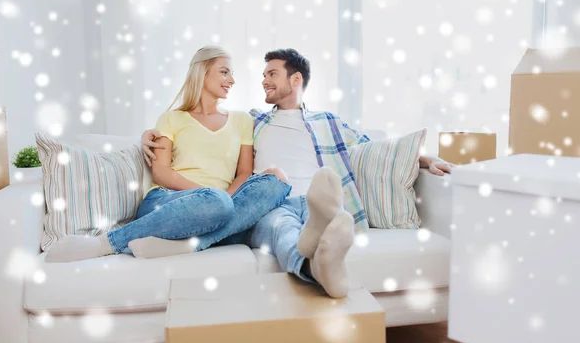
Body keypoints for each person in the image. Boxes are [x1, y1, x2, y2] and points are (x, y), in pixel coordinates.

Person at [140, 48, 453, 298]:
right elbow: (200, 128)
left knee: (325, 212)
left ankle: (321, 235)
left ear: (296, 79)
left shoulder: (328, 121)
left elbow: (373, 147)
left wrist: (424, 159)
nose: (264, 81)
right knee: (280, 228)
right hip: (273, 203)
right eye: (263, 75)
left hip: (319, 200)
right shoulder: (253, 121)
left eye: (272, 74)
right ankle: (313, 264)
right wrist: (148, 135)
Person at [45, 46, 292, 262]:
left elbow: (244, 173)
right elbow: (161, 172)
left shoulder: (241, 120)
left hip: (221, 207)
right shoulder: (172, 118)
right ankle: (105, 243)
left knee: (277, 180)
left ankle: (190, 243)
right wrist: (208, 196)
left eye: (232, 74)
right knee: (218, 206)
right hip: (169, 201)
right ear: (202, 72)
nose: (231, 80)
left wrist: (223, 200)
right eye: (224, 71)